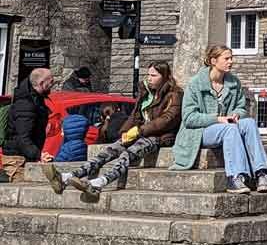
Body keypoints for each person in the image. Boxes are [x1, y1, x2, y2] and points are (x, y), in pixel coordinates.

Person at [44, 61, 183, 196]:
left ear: (164, 77)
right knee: (108, 151)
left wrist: (139, 131)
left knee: (127, 154)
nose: (149, 78)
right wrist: (124, 132)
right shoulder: (146, 93)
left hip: (160, 136)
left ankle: (99, 183)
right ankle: (68, 177)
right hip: (140, 133)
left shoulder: (174, 95)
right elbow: (134, 116)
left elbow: (167, 120)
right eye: (148, 75)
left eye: (154, 76)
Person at [169, 45, 267, 194]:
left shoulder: (234, 82)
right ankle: (236, 177)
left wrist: (237, 114)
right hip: (199, 132)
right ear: (213, 61)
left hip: (227, 125)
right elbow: (189, 118)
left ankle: (261, 173)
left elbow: (241, 107)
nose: (231, 62)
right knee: (229, 129)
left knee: (249, 123)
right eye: (226, 58)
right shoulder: (195, 84)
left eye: (231, 58)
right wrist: (217, 119)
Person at [3, 68, 56, 180]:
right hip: (17, 159)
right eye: (51, 81)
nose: (53, 84)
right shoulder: (25, 104)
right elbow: (22, 137)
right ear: (41, 83)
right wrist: (38, 155)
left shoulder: (35, 99)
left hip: (25, 155)